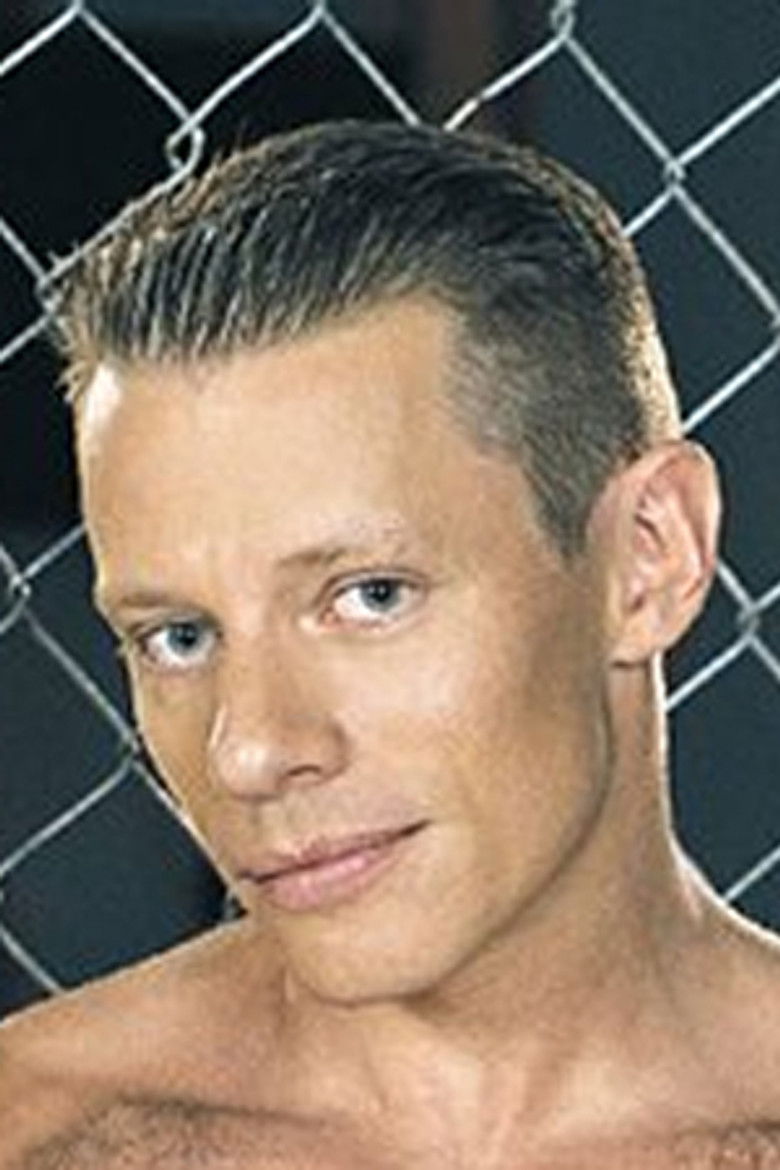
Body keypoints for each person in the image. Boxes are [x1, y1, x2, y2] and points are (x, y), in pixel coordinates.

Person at [1, 120, 779, 1170]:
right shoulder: (40, 1130)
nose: (251, 751)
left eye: (369, 597)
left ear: (649, 556)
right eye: (178, 637)